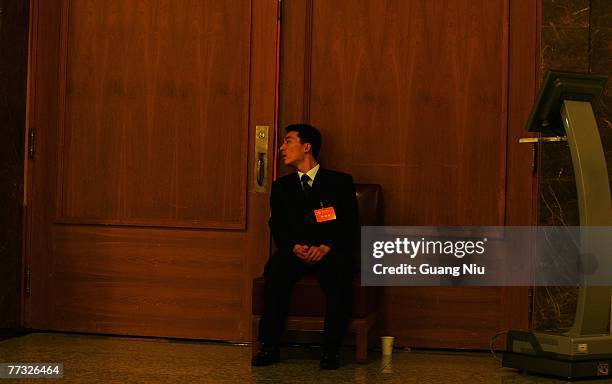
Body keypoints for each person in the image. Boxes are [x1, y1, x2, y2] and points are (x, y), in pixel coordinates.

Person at [252, 124, 359, 370]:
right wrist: (293, 246)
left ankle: (330, 351)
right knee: (276, 273)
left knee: (340, 277)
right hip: (295, 251)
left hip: (329, 251)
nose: (281, 148)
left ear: (307, 146)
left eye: (288, 141)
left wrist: (326, 246)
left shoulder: (340, 182)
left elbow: (349, 223)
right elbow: (276, 225)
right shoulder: (282, 187)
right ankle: (269, 346)